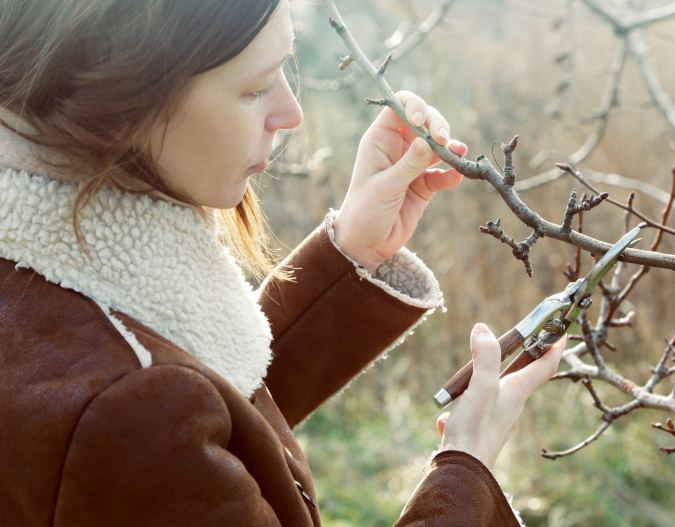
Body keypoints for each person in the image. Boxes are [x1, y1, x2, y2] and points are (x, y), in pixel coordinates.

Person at [0, 0, 565, 525]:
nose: (290, 113)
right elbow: (160, 424)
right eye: (254, 88)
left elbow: (210, 432)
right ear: (124, 96)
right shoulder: (121, 413)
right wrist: (468, 469)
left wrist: (354, 250)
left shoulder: (47, 283)